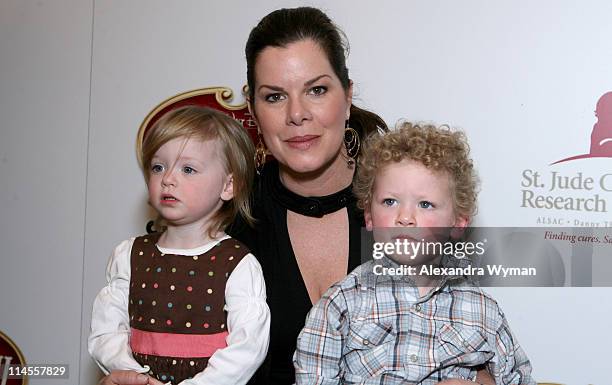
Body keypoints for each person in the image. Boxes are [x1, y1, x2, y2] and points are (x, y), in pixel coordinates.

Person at [98, 7, 495, 385]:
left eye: (317, 90)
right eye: (274, 96)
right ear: (252, 107)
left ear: (348, 94)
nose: (297, 114)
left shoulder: (411, 208)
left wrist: (485, 378)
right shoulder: (225, 217)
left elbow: (475, 339)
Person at [294, 123, 536, 384]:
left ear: (457, 223)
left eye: (425, 204)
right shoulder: (340, 305)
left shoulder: (482, 310)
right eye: (390, 201)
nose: (405, 217)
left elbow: (519, 378)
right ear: (369, 215)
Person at [88, 106, 270, 385]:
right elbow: (106, 333)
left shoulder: (237, 264)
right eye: (158, 167)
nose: (168, 179)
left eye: (188, 169)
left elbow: (247, 348)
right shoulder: (130, 255)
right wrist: (136, 377)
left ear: (228, 186)